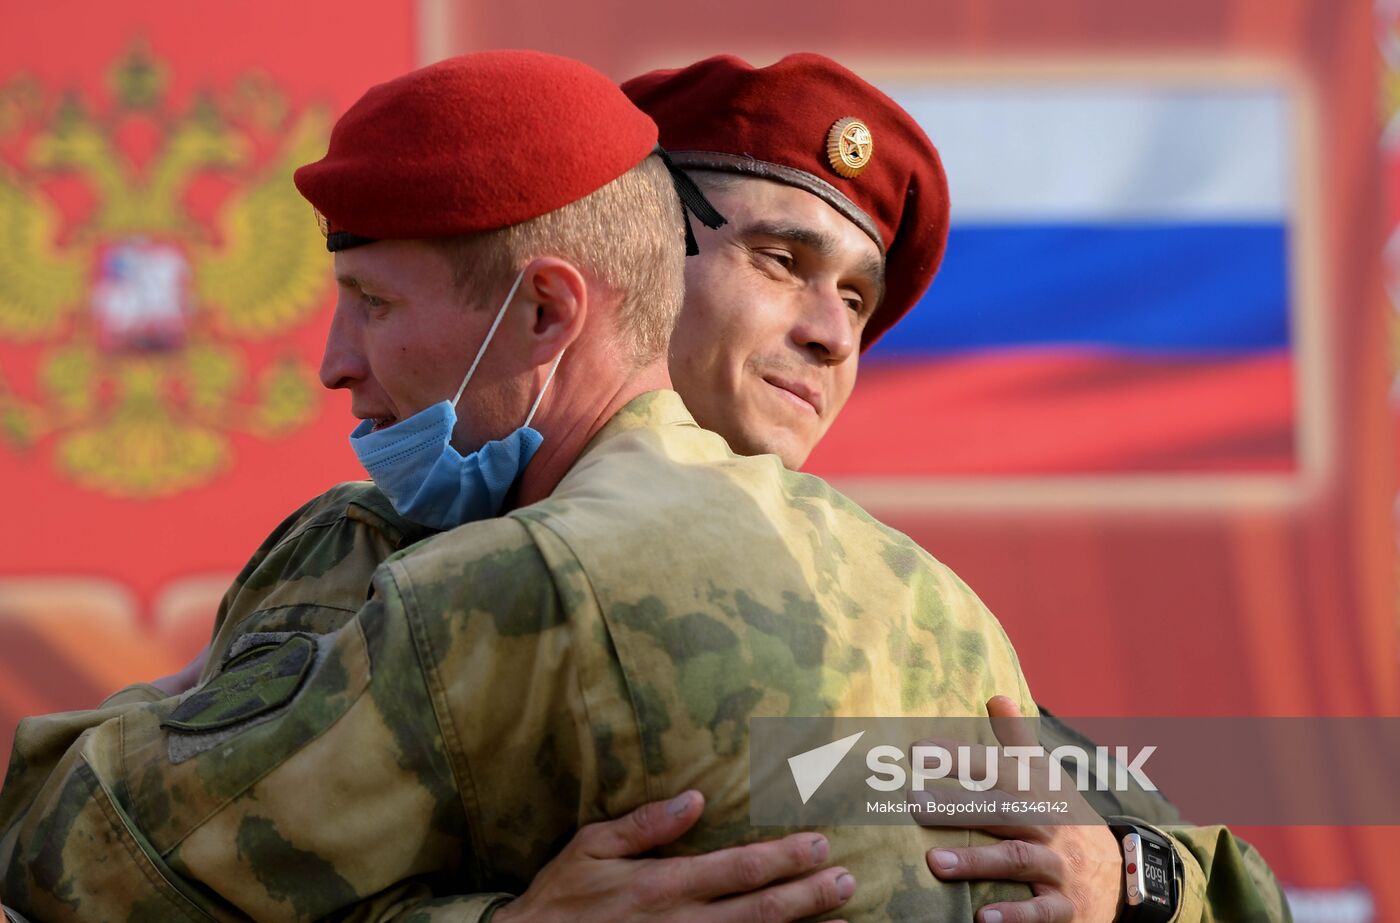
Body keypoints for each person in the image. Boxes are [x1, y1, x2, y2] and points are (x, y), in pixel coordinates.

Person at [0, 51, 1289, 923]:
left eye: (857, 299)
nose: (830, 336)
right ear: (629, 251)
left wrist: (1127, 880)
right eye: (781, 260)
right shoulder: (385, 548)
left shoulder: (903, 615)